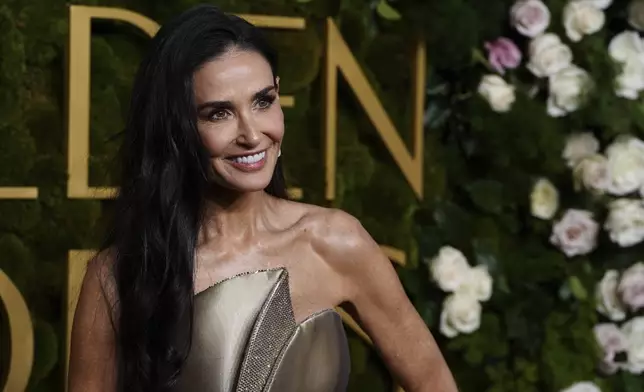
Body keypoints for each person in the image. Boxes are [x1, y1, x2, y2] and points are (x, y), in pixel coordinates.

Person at [67, 4, 458, 392]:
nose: (252, 135)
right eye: (219, 113)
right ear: (175, 130)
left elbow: (434, 383)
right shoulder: (118, 276)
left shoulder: (335, 242)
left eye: (263, 101)